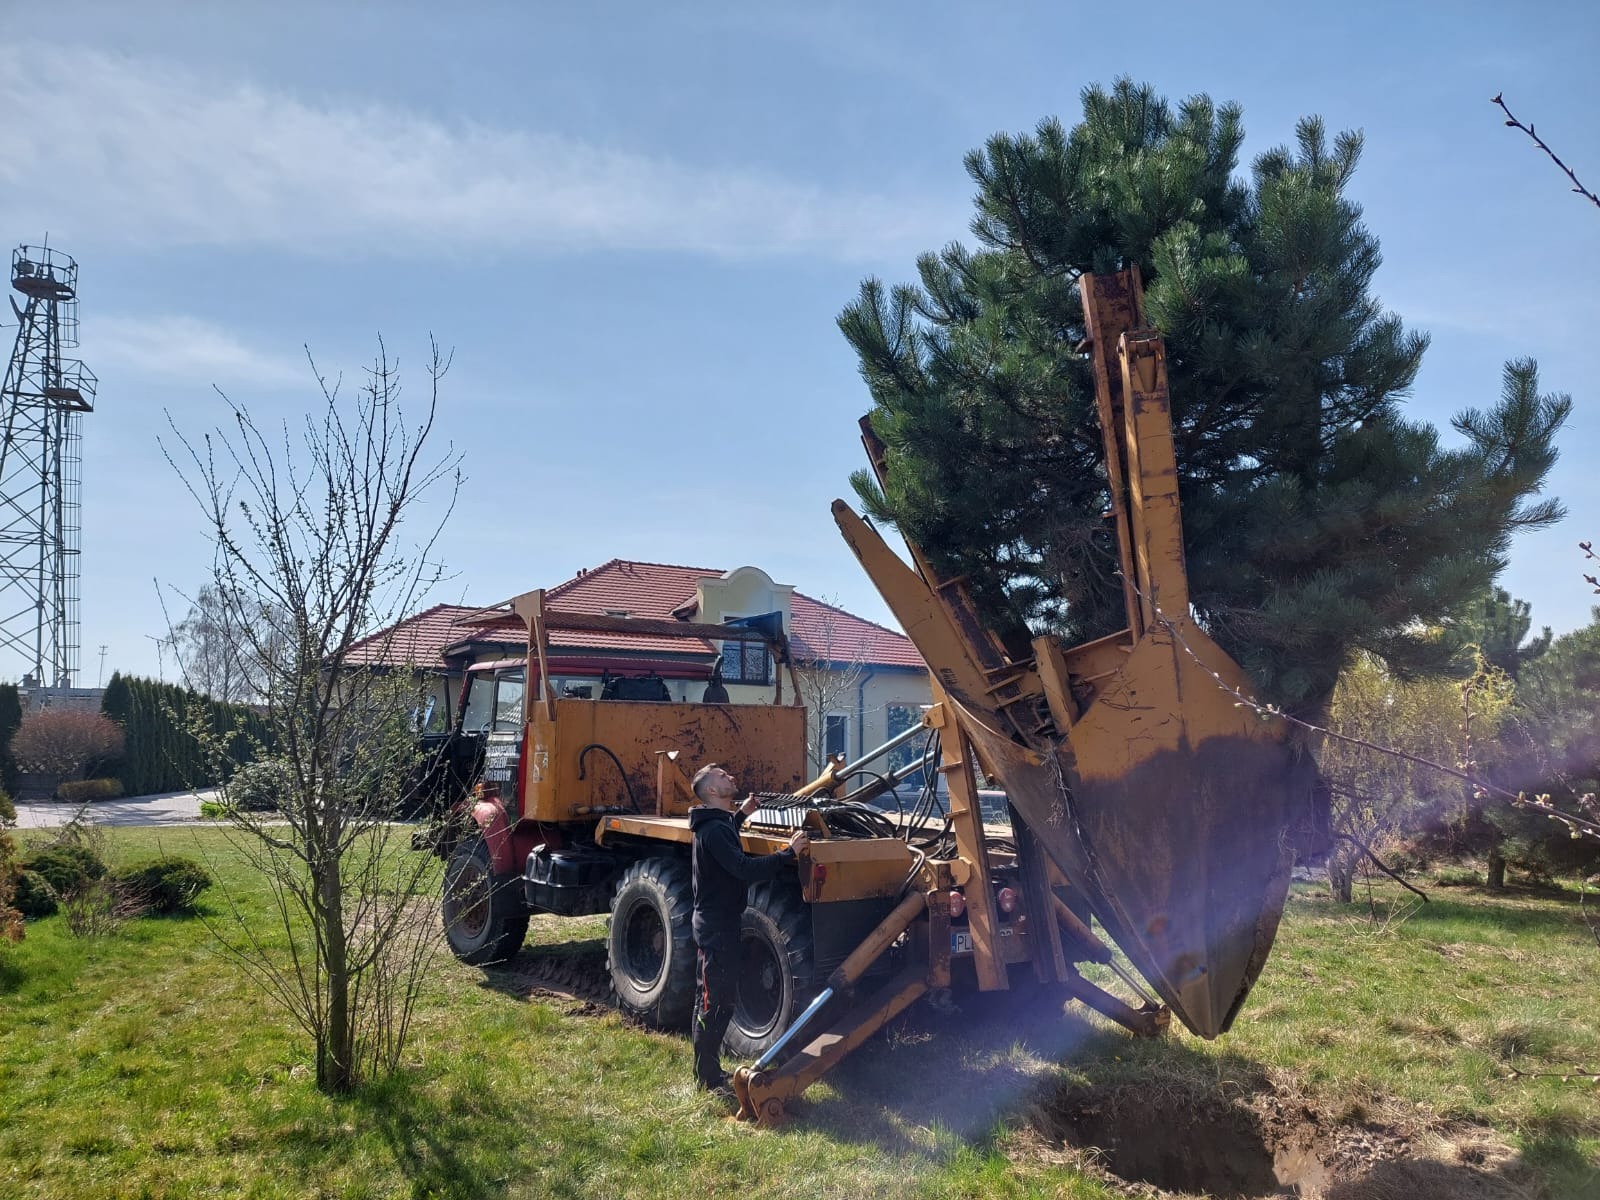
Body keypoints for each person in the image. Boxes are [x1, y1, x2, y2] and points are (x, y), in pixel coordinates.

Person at [688, 762, 808, 1092]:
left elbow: (727, 835)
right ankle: (707, 1078)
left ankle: (708, 1072)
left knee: (717, 1000)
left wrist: (742, 814)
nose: (731, 777)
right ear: (712, 791)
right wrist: (788, 854)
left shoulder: (716, 825)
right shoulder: (712, 832)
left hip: (720, 924)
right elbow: (742, 868)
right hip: (716, 929)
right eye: (723, 777)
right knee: (713, 1004)